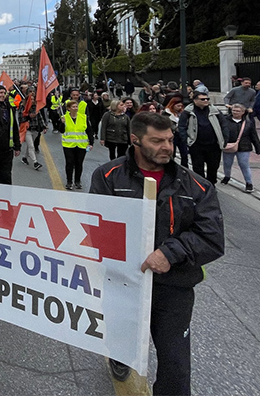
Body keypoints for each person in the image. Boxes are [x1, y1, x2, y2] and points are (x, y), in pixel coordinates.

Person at [91, 112, 224, 396]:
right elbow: (95, 227)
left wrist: (169, 253)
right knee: (121, 336)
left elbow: (212, 238)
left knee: (175, 362)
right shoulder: (108, 177)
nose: (167, 147)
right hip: (123, 282)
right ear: (135, 140)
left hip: (174, 288)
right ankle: (119, 356)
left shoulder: (196, 186)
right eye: (157, 140)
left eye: (170, 140)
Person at [179, 91, 229, 185]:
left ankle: (211, 184)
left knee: (213, 166)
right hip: (196, 145)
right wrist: (186, 140)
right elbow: (182, 126)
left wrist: (224, 139)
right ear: (195, 100)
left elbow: (224, 125)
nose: (206, 101)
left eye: (207, 99)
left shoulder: (215, 111)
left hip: (214, 145)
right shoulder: (188, 112)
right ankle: (201, 185)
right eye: (202, 99)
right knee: (198, 167)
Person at [220, 104, 260, 193]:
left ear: (243, 112)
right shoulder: (225, 121)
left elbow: (253, 135)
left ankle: (249, 183)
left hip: (244, 147)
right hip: (229, 145)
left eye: (238, 111)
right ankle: (227, 176)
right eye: (234, 110)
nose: (235, 112)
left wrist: (258, 147)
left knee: (244, 165)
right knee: (227, 163)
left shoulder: (248, 123)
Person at [56, 99, 93, 190]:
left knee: (79, 163)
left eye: (76, 106)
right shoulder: (64, 117)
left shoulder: (83, 117)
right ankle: (69, 181)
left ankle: (77, 181)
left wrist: (91, 143)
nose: (75, 108)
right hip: (68, 145)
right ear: (68, 108)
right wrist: (62, 123)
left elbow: (89, 131)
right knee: (69, 163)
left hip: (81, 145)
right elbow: (61, 130)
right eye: (73, 107)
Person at [19, 89, 46, 170]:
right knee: (31, 146)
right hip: (27, 129)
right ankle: (35, 162)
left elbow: (40, 118)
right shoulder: (23, 107)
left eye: (34, 99)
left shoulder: (36, 107)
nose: (33, 101)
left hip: (35, 129)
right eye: (31, 99)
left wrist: (43, 127)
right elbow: (20, 118)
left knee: (30, 145)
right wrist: (28, 117)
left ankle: (24, 157)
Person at [162, 97, 188, 168]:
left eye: (181, 106)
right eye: (178, 106)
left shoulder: (183, 113)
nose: (179, 107)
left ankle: (184, 167)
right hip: (172, 134)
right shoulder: (166, 113)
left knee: (184, 153)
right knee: (172, 153)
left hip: (181, 135)